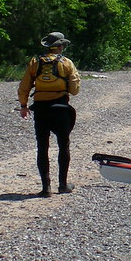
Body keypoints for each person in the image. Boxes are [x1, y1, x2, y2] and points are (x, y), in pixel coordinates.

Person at [18, 32, 81, 196]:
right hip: (61, 109)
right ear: (59, 47)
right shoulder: (66, 63)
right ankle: (63, 185)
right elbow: (75, 91)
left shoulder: (35, 62)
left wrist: (24, 106)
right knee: (63, 145)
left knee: (42, 147)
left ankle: (46, 188)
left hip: (40, 109)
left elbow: (24, 86)